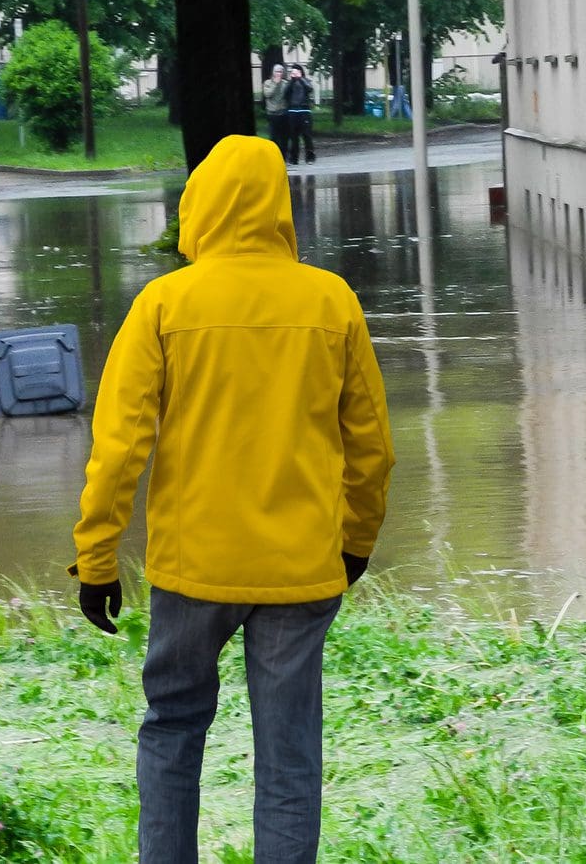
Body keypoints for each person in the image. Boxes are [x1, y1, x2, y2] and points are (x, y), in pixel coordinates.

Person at [70, 134, 393, 863]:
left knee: (174, 729)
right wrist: (355, 540)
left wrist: (96, 559)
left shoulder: (164, 303)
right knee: (288, 756)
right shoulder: (331, 300)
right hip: (300, 567)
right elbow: (372, 445)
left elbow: (119, 447)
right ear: (282, 206)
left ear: (199, 205)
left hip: (194, 567)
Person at [283, 65, 316, 165]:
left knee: (307, 135)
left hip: (304, 110)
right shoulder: (290, 83)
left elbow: (309, 89)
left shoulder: (305, 81)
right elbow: (285, 94)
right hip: (292, 111)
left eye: (297, 72)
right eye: (293, 72)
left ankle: (310, 156)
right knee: (293, 136)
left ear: (301, 72)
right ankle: (294, 158)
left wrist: (300, 78)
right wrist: (292, 80)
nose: (295, 74)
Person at [262, 63, 290, 161]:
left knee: (284, 137)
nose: (279, 73)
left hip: (283, 113)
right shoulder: (267, 83)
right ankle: (274, 158)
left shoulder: (285, 83)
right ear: (273, 72)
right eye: (277, 71)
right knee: (273, 137)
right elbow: (267, 94)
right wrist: (275, 84)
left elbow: (288, 97)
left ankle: (284, 157)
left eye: (281, 71)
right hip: (272, 114)